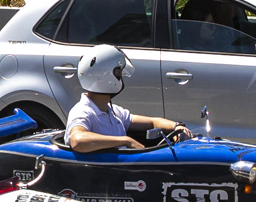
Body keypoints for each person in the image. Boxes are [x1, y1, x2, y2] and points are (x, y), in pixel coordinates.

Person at [63, 45, 192, 154]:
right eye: (119, 74)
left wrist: (177, 127)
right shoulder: (82, 111)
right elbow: (78, 140)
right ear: (111, 77)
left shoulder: (113, 111)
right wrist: (126, 141)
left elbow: (153, 122)